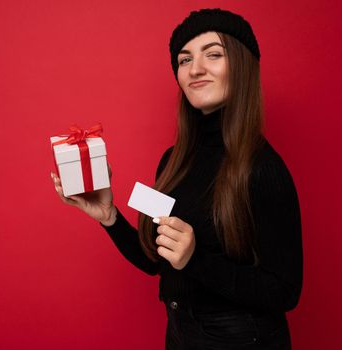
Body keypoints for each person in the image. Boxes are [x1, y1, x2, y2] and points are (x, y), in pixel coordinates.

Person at [51, 8, 303, 350]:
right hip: (181, 335)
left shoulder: (263, 168)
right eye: (185, 60)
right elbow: (157, 261)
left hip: (242, 340)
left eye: (213, 54)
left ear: (242, 67)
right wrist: (109, 217)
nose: (195, 68)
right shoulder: (173, 161)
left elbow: (286, 292)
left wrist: (196, 259)